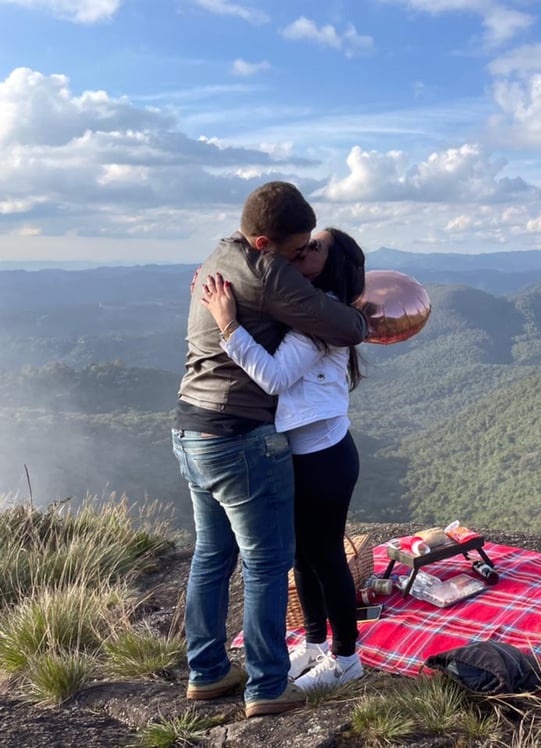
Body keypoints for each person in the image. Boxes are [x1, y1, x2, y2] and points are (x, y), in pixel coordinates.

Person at [172, 183, 368, 718]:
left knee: (262, 556)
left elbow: (291, 364)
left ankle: (227, 672)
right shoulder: (271, 279)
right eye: (299, 246)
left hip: (200, 429)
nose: (301, 254)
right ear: (266, 242)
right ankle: (286, 665)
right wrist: (234, 321)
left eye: (314, 249)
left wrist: (229, 322)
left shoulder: (225, 260)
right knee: (280, 559)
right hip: (240, 437)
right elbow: (342, 327)